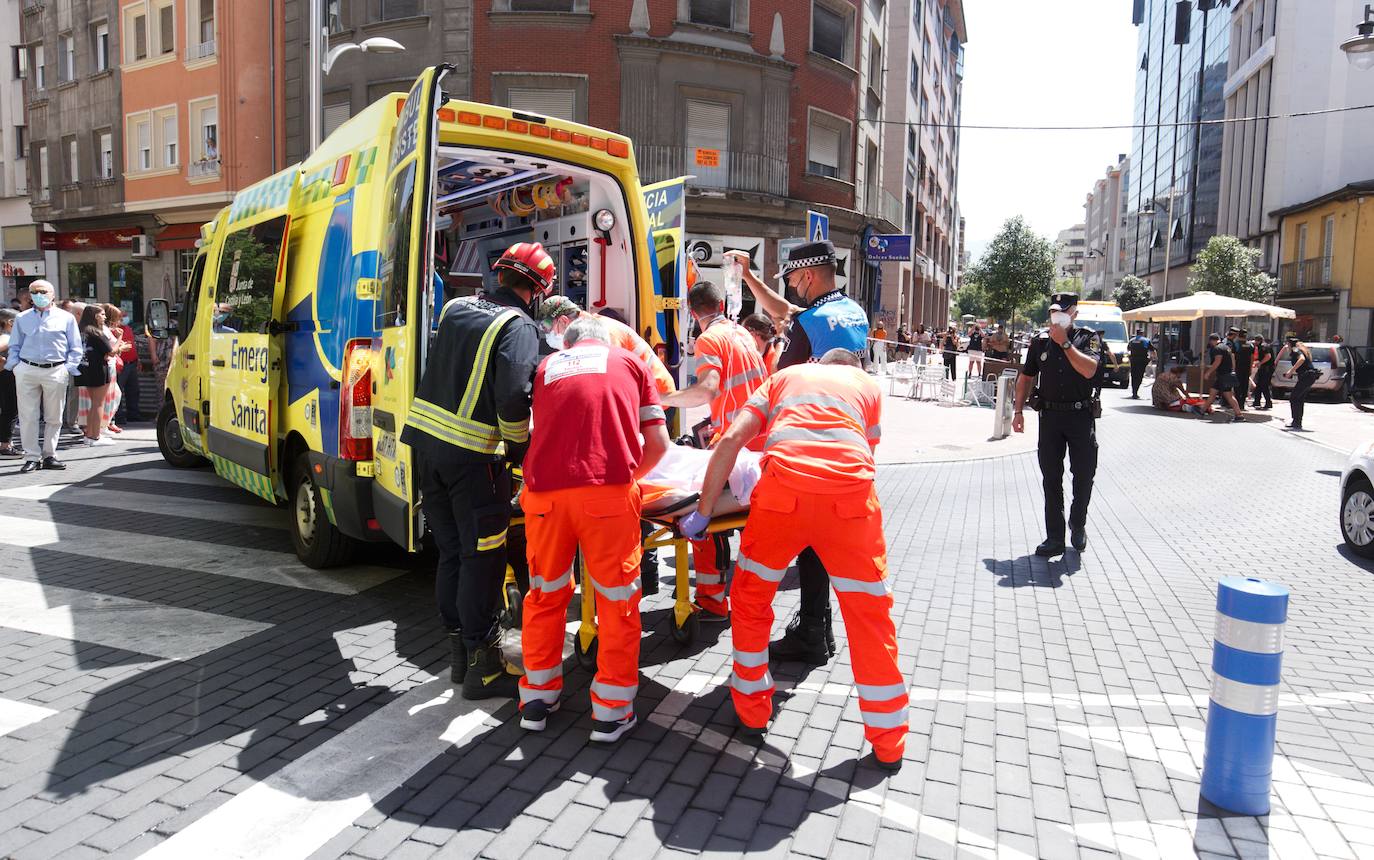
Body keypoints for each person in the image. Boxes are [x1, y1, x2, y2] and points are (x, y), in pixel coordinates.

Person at [681, 349, 907, 770]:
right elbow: (864, 452)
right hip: (850, 503)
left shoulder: (785, 377)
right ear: (854, 370)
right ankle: (889, 743)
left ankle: (752, 712)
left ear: (820, 364)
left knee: (750, 601)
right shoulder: (870, 387)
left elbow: (731, 440)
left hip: (782, 498)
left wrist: (705, 512)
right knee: (870, 616)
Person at [400, 242, 545, 699]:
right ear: (537, 289)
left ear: (500, 274)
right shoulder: (518, 325)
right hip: (474, 459)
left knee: (451, 553)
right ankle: (484, 668)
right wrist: (521, 451)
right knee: (482, 559)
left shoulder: (457, 307)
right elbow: (510, 398)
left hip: (427, 447)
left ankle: (460, 657)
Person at [517, 316, 671, 743]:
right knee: (617, 601)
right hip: (606, 498)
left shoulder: (547, 367)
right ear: (606, 342)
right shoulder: (630, 362)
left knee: (545, 595)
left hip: (546, 499)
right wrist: (628, 479)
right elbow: (658, 444)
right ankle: (611, 711)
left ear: (567, 343)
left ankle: (537, 697)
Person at [733, 241, 869, 664]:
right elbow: (787, 313)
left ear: (808, 275)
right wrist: (750, 278)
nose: (791, 287)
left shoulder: (808, 324)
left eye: (792, 279)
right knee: (823, 544)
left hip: (806, 447)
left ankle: (812, 631)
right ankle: (819, 626)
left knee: (805, 543)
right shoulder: (850, 311)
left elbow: (779, 382)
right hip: (849, 442)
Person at [538, 294, 677, 597]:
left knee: (625, 484)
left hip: (653, 400)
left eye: (551, 330)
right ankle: (641, 577)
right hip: (644, 397)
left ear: (563, 321)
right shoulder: (595, 328)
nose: (553, 339)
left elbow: (608, 385)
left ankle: (647, 577)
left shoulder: (602, 336)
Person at [661, 280, 768, 620]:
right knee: (752, 528)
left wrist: (661, 400)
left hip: (735, 447)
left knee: (698, 512)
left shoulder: (709, 339)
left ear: (693, 313)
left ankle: (711, 600)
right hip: (760, 442)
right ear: (721, 305)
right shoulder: (743, 335)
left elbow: (707, 389)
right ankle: (750, 601)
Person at [1012, 292, 1107, 556]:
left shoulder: (1088, 338)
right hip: (1050, 418)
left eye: (1063, 311)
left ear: (1074, 312)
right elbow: (1026, 378)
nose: (1057, 315)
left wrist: (1065, 344)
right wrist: (1017, 412)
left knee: (1084, 475)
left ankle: (1078, 524)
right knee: (1051, 478)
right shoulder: (1040, 341)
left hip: (1080, 416)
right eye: (1054, 311)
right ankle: (1054, 537)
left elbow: (1090, 370)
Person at [4, 280, 82, 472]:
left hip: (56, 369)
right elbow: (14, 345)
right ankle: (32, 456)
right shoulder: (22, 318)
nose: (39, 294)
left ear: (52, 294)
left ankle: (50, 454)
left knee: (54, 415)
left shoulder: (66, 318)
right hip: (27, 369)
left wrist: (68, 367)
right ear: (29, 295)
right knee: (28, 416)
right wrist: (15, 367)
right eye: (34, 292)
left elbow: (75, 347)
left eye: (42, 291)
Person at [75, 304, 115, 446]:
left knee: (94, 403)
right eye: (102, 314)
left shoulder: (80, 330)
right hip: (97, 369)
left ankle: (89, 436)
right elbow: (110, 352)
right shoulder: (96, 332)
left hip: (83, 368)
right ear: (95, 316)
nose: (104, 317)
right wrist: (120, 339)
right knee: (98, 403)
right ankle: (95, 436)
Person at [111, 305, 140, 424]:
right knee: (118, 392)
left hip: (132, 363)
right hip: (121, 365)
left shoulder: (127, 328)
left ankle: (133, 414)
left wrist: (138, 360)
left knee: (133, 390)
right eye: (122, 316)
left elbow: (132, 344)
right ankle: (118, 416)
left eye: (125, 315)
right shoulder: (114, 330)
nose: (124, 318)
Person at [1283, 335, 1318, 431]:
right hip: (1309, 376)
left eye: (1286, 344)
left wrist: (1291, 371)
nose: (1286, 347)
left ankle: (1296, 421)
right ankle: (1297, 422)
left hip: (1307, 376)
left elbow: (1301, 359)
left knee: (1294, 397)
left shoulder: (1295, 350)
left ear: (1289, 344)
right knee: (1299, 398)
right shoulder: (1299, 349)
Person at [1203, 333, 1243, 416]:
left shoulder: (1217, 348)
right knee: (1213, 392)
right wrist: (1233, 369)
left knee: (1229, 396)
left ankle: (1239, 415)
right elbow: (1233, 358)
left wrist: (1208, 372)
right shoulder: (1226, 347)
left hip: (1223, 375)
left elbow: (1217, 361)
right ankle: (1202, 410)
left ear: (1211, 341)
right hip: (1224, 374)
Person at [0, 309, 18, 457]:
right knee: (10, 410)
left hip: (7, 375)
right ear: (9, 323)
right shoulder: (6, 337)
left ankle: (6, 443)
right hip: (7, 376)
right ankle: (6, 445)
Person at [1126, 327, 1155, 399]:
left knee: (1133, 375)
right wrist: (1152, 358)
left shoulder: (1131, 340)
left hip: (1133, 360)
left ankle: (1134, 392)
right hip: (1142, 360)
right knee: (1139, 375)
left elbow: (1128, 350)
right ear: (1142, 333)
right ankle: (1136, 392)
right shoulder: (1146, 340)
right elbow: (1152, 351)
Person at [1229, 327, 1251, 413]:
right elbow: (1252, 357)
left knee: (1237, 385)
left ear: (1239, 335)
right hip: (1246, 368)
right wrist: (1250, 368)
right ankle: (1242, 404)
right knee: (1245, 385)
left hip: (1238, 368)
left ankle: (1237, 403)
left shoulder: (1236, 344)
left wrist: (1233, 367)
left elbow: (1233, 356)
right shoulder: (1250, 345)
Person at [1251, 334, 1274, 410]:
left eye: (1256, 341)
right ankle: (1257, 401)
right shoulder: (1263, 346)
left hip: (1266, 369)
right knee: (1259, 385)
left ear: (1259, 340)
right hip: (1264, 368)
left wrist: (1260, 363)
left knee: (1264, 385)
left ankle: (1268, 402)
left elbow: (1268, 356)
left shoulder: (1264, 346)